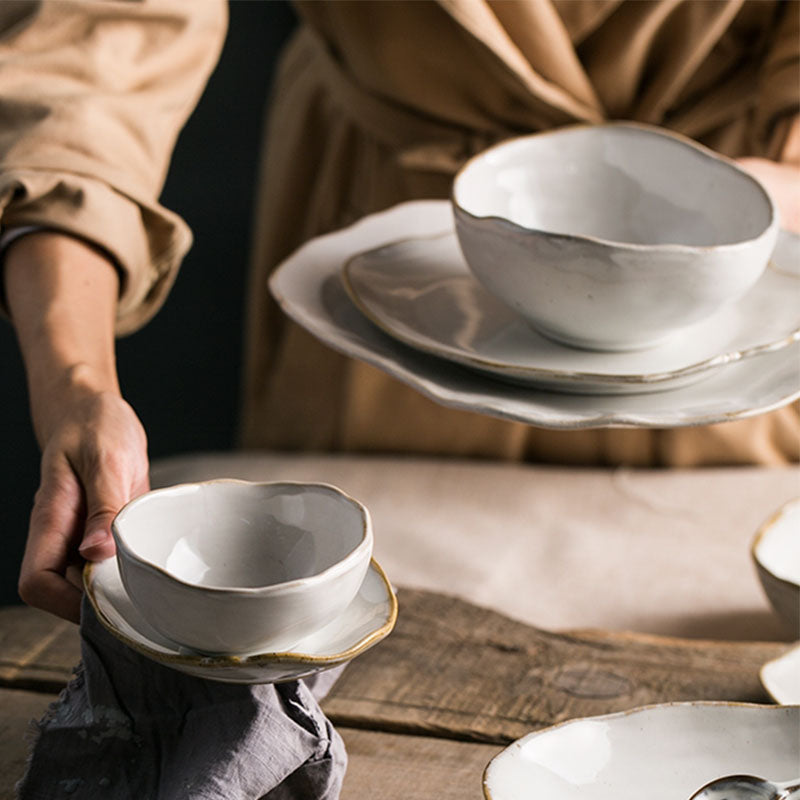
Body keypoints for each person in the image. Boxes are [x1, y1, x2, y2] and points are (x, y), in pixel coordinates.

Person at [2, 0, 798, 624]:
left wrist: (709, 217)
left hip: (723, 294)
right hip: (385, 278)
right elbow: (87, 70)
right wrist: (77, 388)